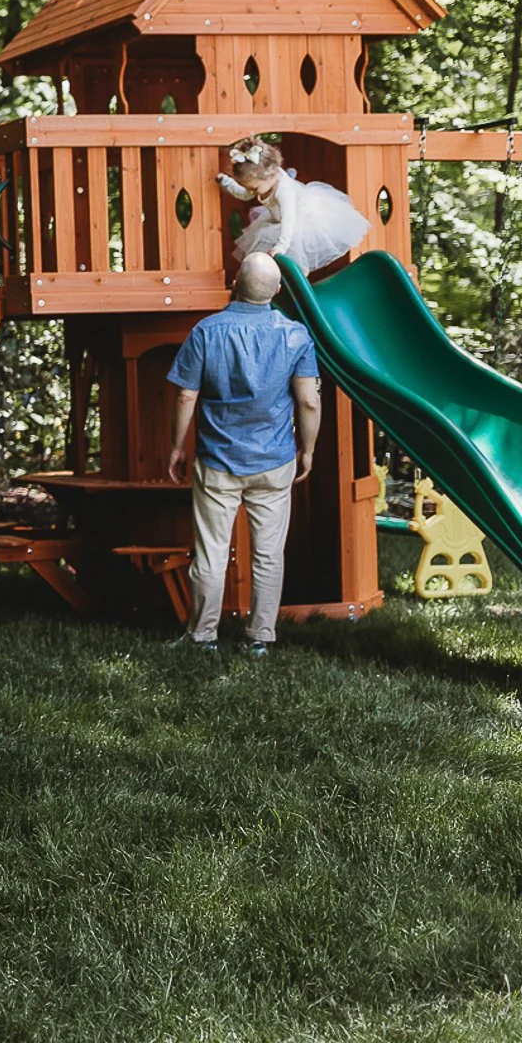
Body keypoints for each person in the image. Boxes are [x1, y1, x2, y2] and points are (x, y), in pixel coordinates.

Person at [164, 252, 323, 656]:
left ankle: (203, 637)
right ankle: (260, 638)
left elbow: (185, 396)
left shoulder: (206, 331)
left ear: (235, 284)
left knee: (211, 553)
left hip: (217, 461)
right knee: (268, 554)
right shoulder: (295, 335)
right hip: (275, 460)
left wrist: (176, 447)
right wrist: (307, 450)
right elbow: (308, 402)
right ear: (278, 290)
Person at [219, 137, 370, 272]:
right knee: (264, 248)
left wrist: (281, 246)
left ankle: (301, 279)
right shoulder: (263, 181)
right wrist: (227, 182)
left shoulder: (283, 191)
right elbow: (244, 195)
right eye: (250, 188)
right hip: (278, 219)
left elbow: (289, 220)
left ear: (271, 175)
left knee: (296, 256)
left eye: (255, 188)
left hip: (303, 219)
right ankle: (271, 280)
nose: (252, 192)